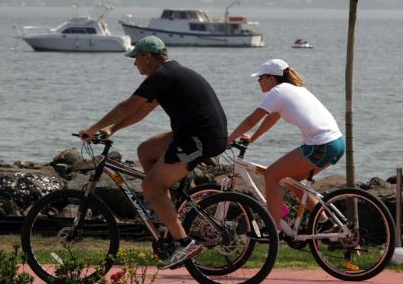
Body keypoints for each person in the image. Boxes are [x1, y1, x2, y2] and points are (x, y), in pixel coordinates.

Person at [80, 35, 228, 269]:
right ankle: (165, 208)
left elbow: (127, 106)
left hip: (200, 139)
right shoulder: (170, 75)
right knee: (146, 151)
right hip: (194, 134)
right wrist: (112, 128)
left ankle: (183, 242)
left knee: (150, 186)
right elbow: (141, 112)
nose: (134, 64)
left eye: (136, 58)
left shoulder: (163, 75)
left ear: (148, 56)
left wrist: (91, 129)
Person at [227, 59, 345, 226]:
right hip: (336, 143)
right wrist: (252, 139)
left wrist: (226, 140)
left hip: (321, 145)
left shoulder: (278, 92)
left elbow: (251, 119)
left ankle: (273, 230)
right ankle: (325, 223)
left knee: (272, 175)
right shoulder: (295, 90)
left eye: (261, 77)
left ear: (271, 78)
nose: (258, 81)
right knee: (292, 182)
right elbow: (272, 118)